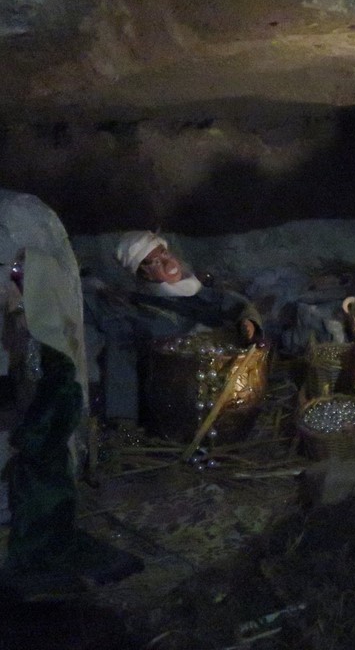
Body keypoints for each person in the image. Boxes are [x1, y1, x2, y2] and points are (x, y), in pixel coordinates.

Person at [0, 213, 141, 596]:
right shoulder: (28, 340)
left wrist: (31, 435)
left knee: (44, 506)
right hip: (36, 452)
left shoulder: (51, 353)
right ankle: (33, 558)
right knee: (33, 505)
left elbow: (59, 398)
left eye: (16, 283)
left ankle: (40, 559)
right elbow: (25, 384)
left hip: (43, 455)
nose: (10, 293)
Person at [85, 231, 262, 423]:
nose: (167, 263)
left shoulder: (197, 291)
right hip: (177, 398)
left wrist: (249, 322)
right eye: (155, 262)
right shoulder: (138, 312)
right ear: (143, 272)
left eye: (164, 254)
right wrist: (123, 420)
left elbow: (234, 303)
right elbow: (121, 360)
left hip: (223, 390)